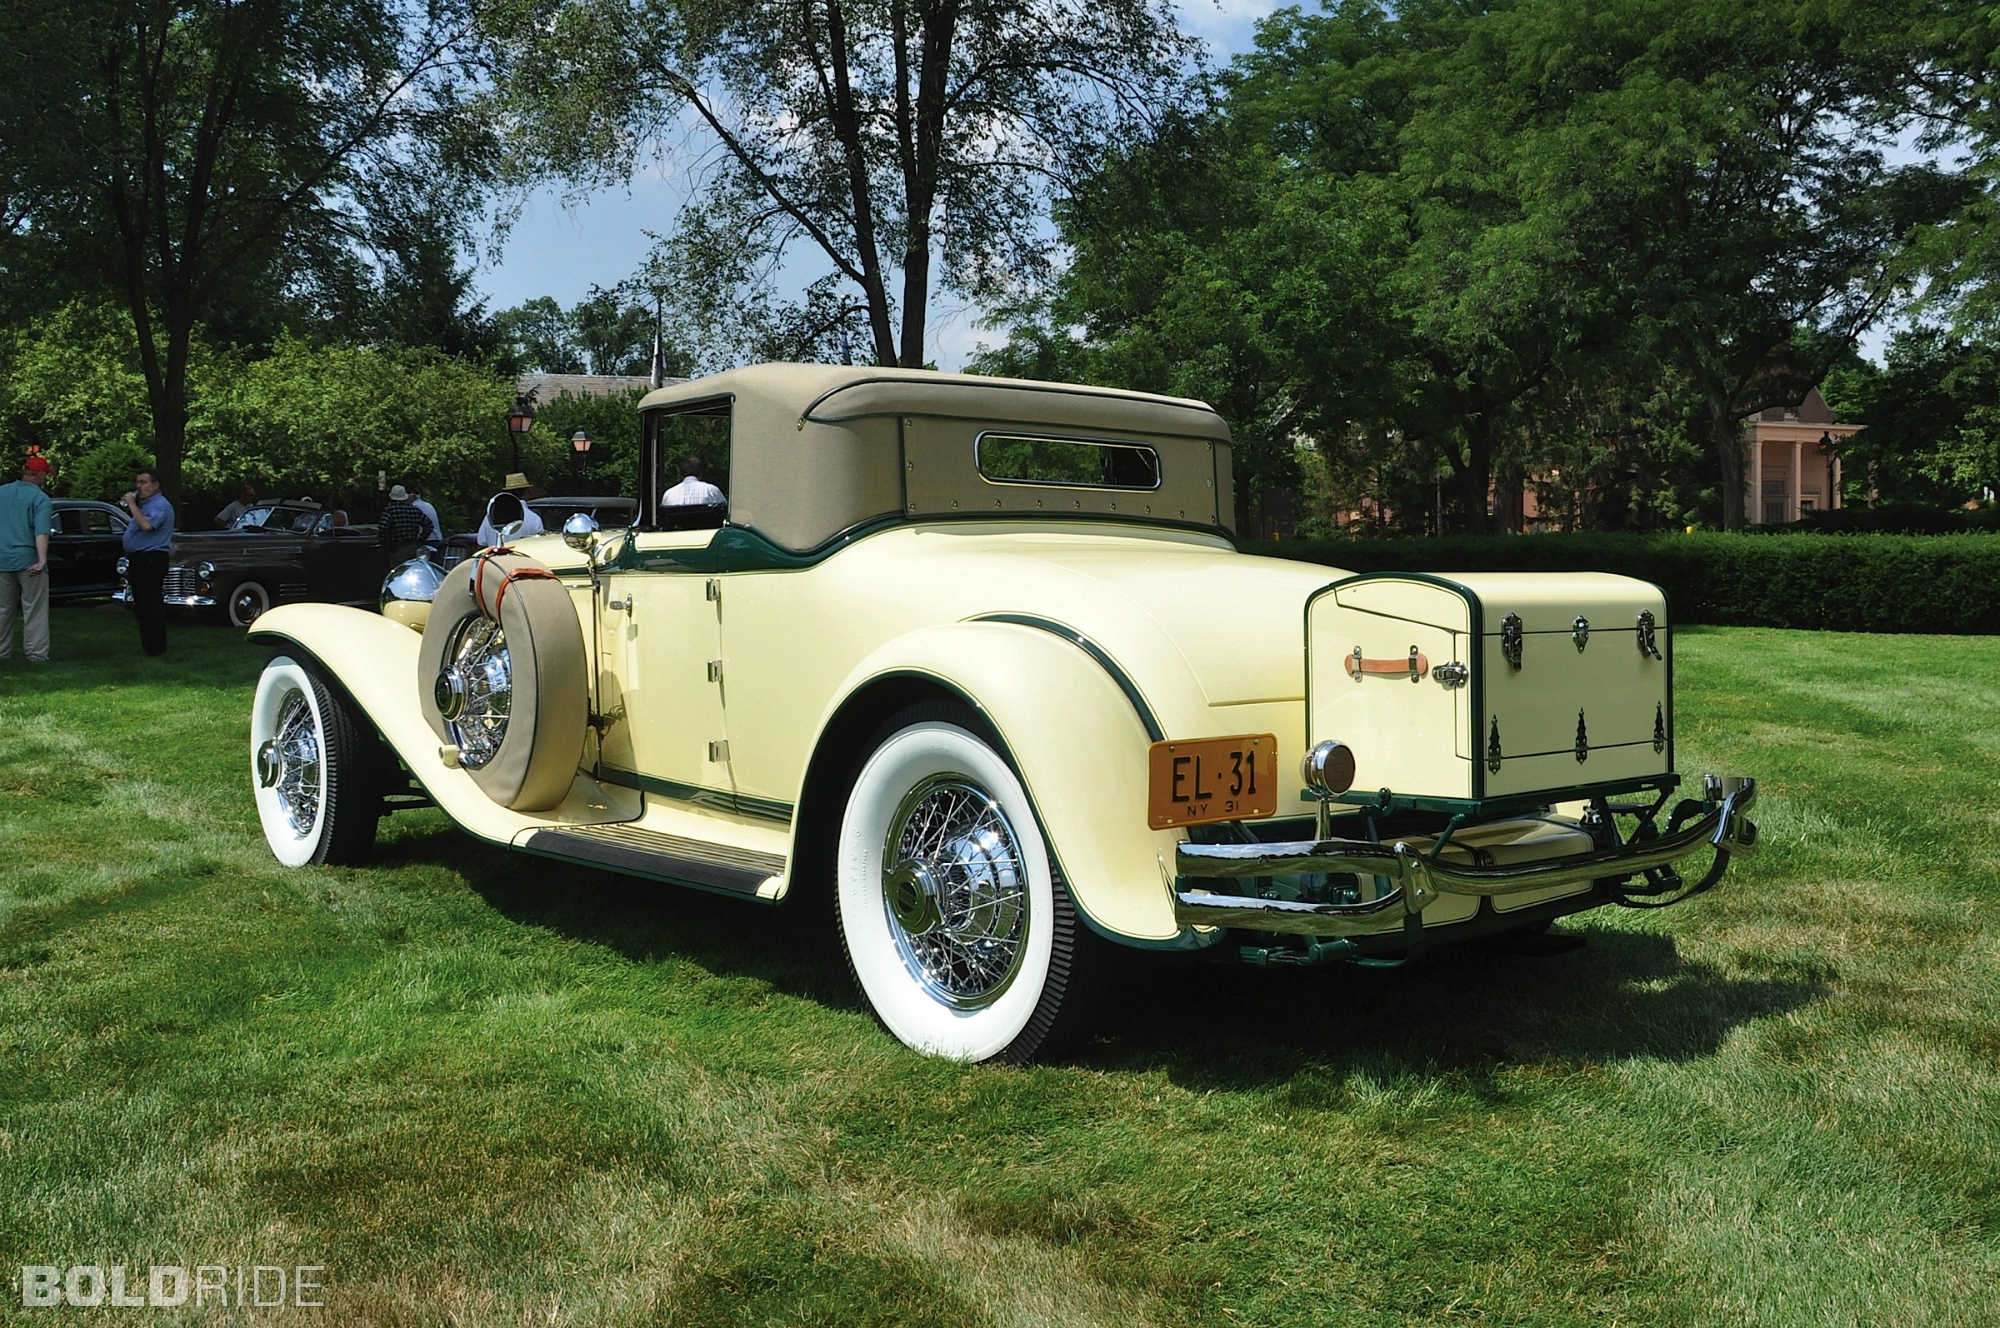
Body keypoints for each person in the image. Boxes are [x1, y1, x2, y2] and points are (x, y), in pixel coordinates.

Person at [0, 455, 56, 663]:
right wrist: (42, 560)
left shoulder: (1, 492)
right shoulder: (40, 498)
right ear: (39, 474)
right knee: (34, 609)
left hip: (2, 559)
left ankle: (1, 652)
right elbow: (41, 531)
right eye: (46, 475)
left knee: (3, 609)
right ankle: (36, 654)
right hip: (28, 559)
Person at [121, 467, 174, 657]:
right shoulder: (146, 505)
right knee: (142, 605)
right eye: (138, 483)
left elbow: (146, 526)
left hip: (151, 559)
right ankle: (149, 647)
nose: (139, 487)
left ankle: (156, 649)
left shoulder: (159, 505)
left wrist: (131, 504)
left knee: (151, 605)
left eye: (143, 482)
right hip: (140, 559)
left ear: (156, 485)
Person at [476, 490, 544, 547]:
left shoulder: (489, 517)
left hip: (495, 561)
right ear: (526, 493)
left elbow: (481, 543)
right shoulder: (535, 519)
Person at [377, 484, 431, 551]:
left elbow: (382, 528)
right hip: (412, 547)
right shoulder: (414, 510)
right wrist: (420, 540)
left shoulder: (390, 511)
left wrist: (386, 543)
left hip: (396, 547)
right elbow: (429, 525)